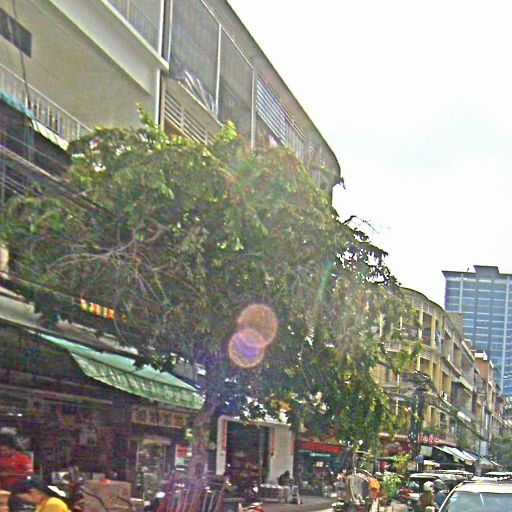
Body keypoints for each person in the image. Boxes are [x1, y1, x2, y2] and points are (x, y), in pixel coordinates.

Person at [0, 435, 33, 512]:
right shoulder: (1, 458)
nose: (2, 452)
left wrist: (10, 474)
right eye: (1, 451)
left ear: (12, 449)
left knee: (16, 507)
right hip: (3, 487)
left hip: (18, 488)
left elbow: (30, 473)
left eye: (4, 450)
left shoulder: (22, 458)